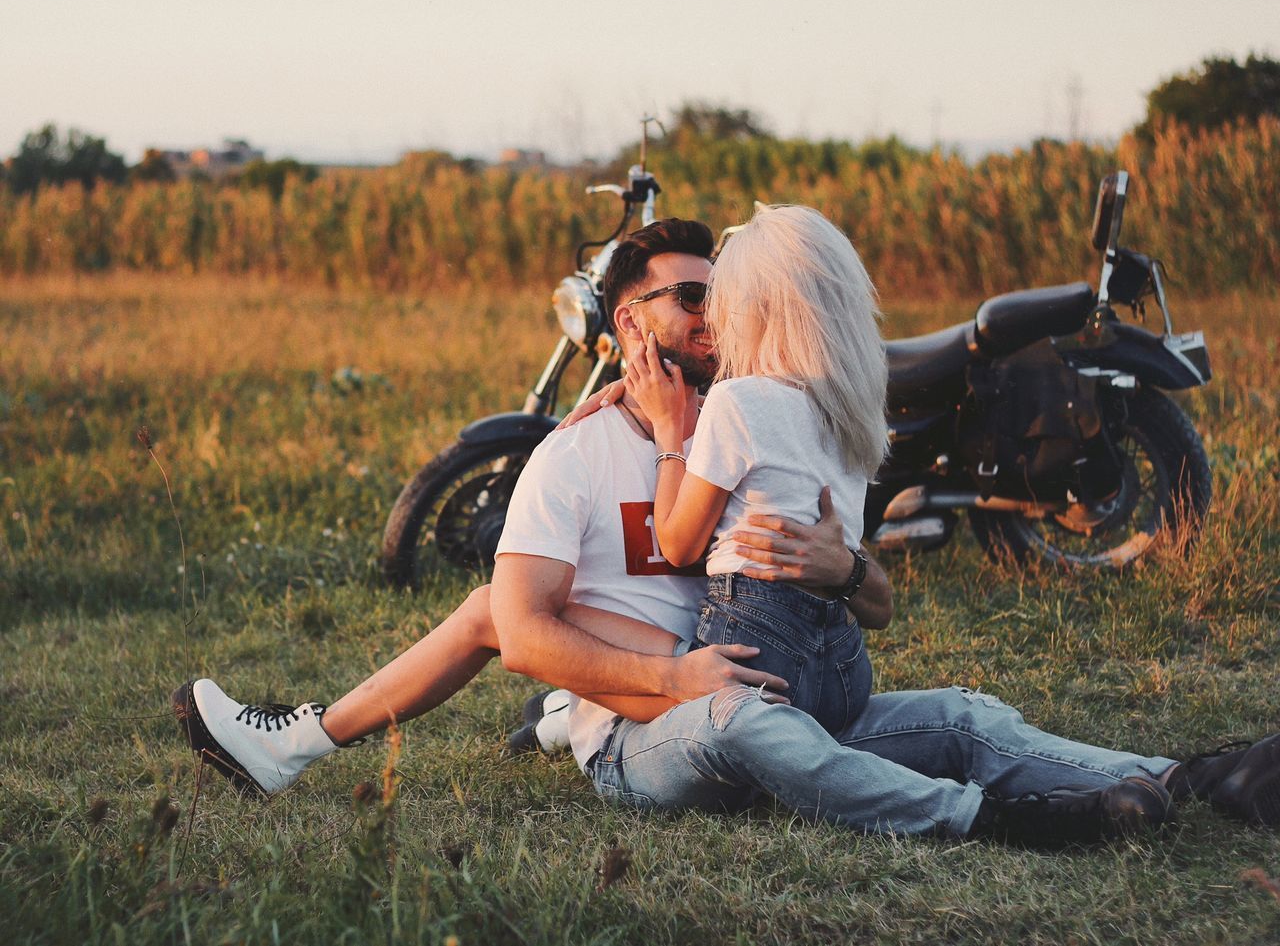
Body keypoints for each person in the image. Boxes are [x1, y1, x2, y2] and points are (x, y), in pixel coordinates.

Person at [174, 218, 1280, 843]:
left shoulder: (776, 421)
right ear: (630, 324)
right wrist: (678, 676)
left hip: (776, 679)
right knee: (732, 718)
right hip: (683, 715)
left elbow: (878, 603)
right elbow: (510, 625)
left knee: (958, 707)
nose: (712, 317)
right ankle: (995, 820)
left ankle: (1191, 779)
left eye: (722, 296)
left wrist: (845, 565)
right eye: (687, 299)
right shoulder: (574, 453)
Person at [619, 205, 885, 736]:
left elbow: (678, 545)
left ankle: (558, 714)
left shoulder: (739, 401)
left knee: (600, 648)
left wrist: (671, 434)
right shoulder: (853, 409)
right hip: (844, 670)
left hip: (757, 651)